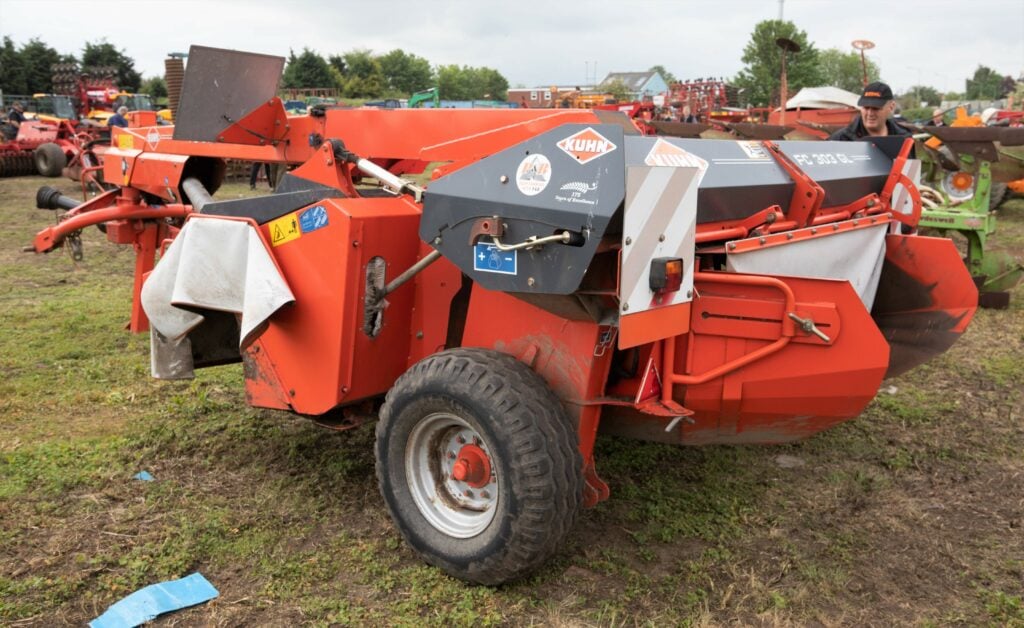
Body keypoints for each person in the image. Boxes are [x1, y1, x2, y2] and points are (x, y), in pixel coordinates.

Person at [829, 82, 911, 140]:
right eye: (866, 107)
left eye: (876, 108)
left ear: (891, 107)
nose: (870, 113)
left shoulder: (904, 139)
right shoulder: (841, 139)